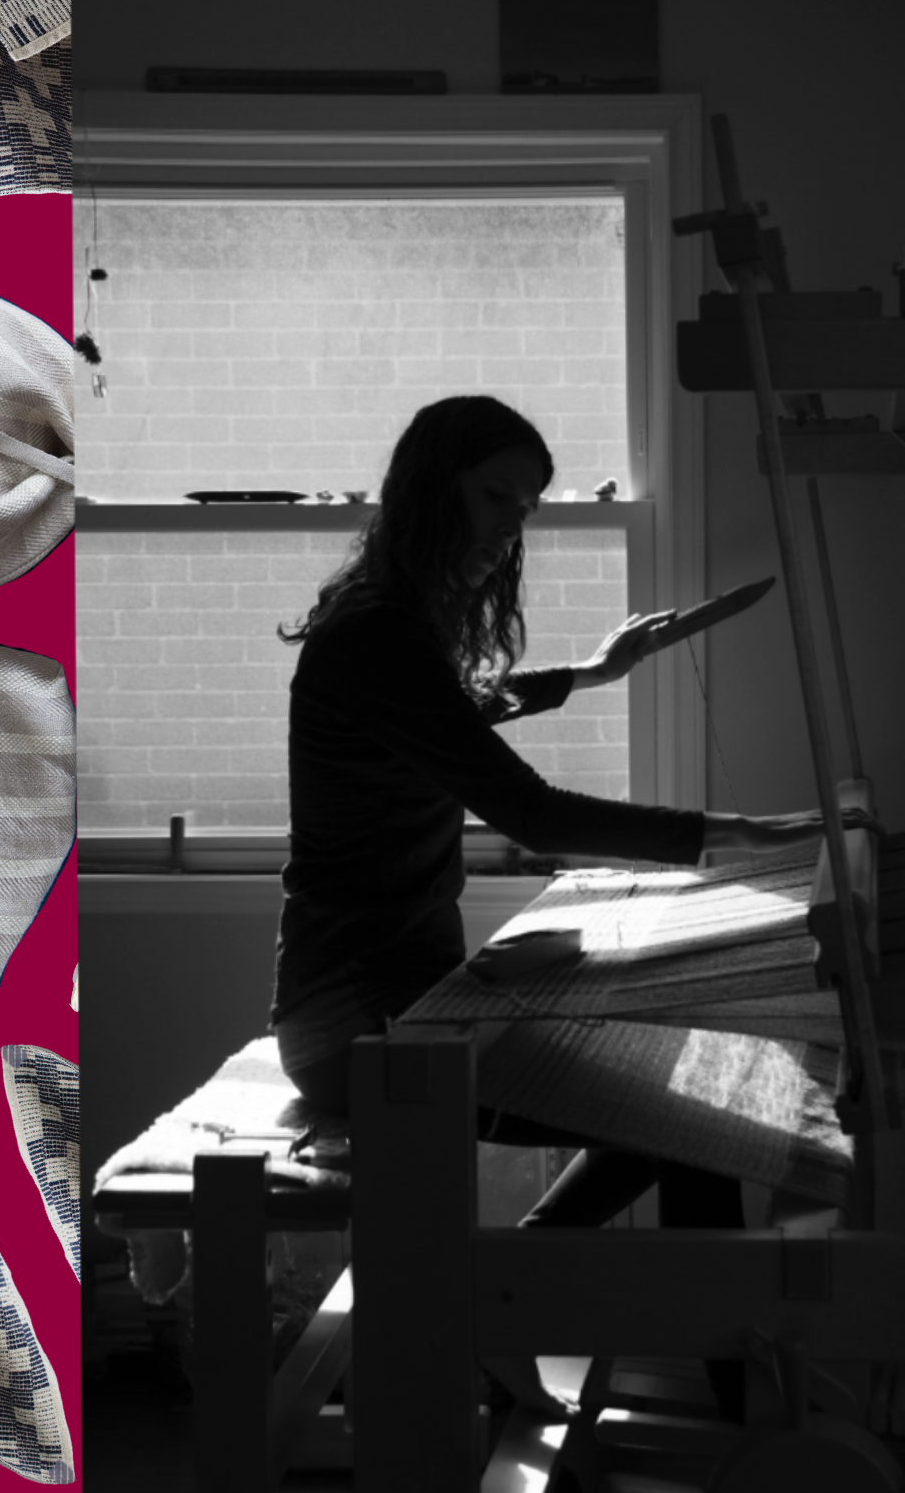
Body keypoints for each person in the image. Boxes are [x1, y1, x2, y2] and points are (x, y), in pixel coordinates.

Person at [271, 394, 831, 1229]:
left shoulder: (394, 624)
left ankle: (528, 1272)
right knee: (690, 1119)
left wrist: (594, 674)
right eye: (495, 496)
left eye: (524, 508)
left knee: (685, 1113)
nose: (509, 529)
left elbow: (455, 713)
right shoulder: (374, 636)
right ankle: (539, 1290)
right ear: (433, 486)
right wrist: (734, 836)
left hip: (413, 999)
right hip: (363, 1030)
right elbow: (529, 812)